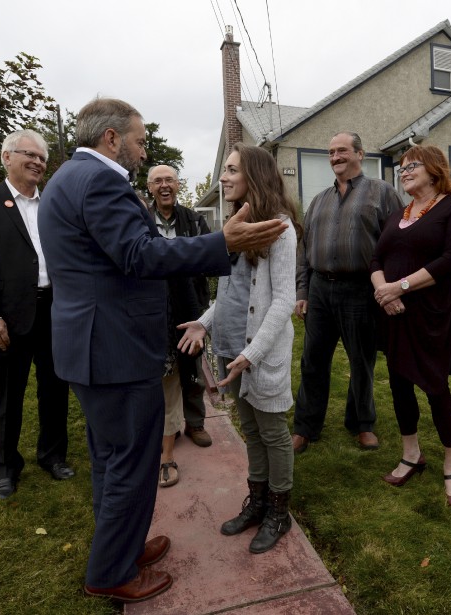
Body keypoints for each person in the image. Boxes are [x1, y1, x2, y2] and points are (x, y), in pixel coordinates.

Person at [37, 98, 286, 604]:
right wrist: (223, 243)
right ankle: (110, 573)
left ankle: (122, 548)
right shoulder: (100, 180)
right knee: (130, 460)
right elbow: (139, 254)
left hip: (89, 346)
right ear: (112, 139)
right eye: (138, 139)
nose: (142, 147)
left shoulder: (66, 178)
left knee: (110, 458)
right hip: (114, 350)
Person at [178, 143, 300, 554]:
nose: (223, 178)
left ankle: (279, 511)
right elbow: (228, 295)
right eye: (224, 170)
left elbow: (283, 300)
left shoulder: (280, 228)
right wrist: (203, 321)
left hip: (258, 353)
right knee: (249, 430)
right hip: (232, 347)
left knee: (272, 431)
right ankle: (259, 502)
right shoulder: (235, 226)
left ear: (255, 175)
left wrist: (254, 353)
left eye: (231, 170)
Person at [0, 129, 74, 501]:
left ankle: (53, 456)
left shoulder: (53, 202)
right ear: (6, 157)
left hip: (54, 311)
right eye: (31, 155)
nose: (39, 162)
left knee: (55, 389)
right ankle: (4, 469)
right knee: (6, 395)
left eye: (42, 157)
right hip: (7, 319)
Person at [369, 144, 451, 507]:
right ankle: (411, 453)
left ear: (434, 169)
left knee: (434, 387)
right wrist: (383, 291)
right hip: (394, 314)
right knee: (399, 384)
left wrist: (399, 287)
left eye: (412, 165)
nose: (404, 171)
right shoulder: (400, 213)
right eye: (401, 167)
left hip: (432, 315)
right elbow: (376, 257)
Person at [292, 131, 401, 454]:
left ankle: (362, 424)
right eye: (331, 152)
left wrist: (390, 288)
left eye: (341, 151)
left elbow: (396, 245)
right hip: (320, 290)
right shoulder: (318, 200)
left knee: (361, 361)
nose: (335, 157)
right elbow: (304, 250)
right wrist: (303, 290)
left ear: (360, 154)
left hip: (361, 290)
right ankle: (306, 427)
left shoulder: (382, 193)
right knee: (313, 361)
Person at [147, 165, 213, 448]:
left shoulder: (194, 221)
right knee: (163, 368)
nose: (164, 185)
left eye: (169, 180)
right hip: (154, 305)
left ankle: (195, 423)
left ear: (178, 185)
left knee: (192, 364)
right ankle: (167, 426)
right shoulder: (141, 219)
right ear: (150, 187)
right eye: (158, 181)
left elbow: (209, 259)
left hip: (189, 302)